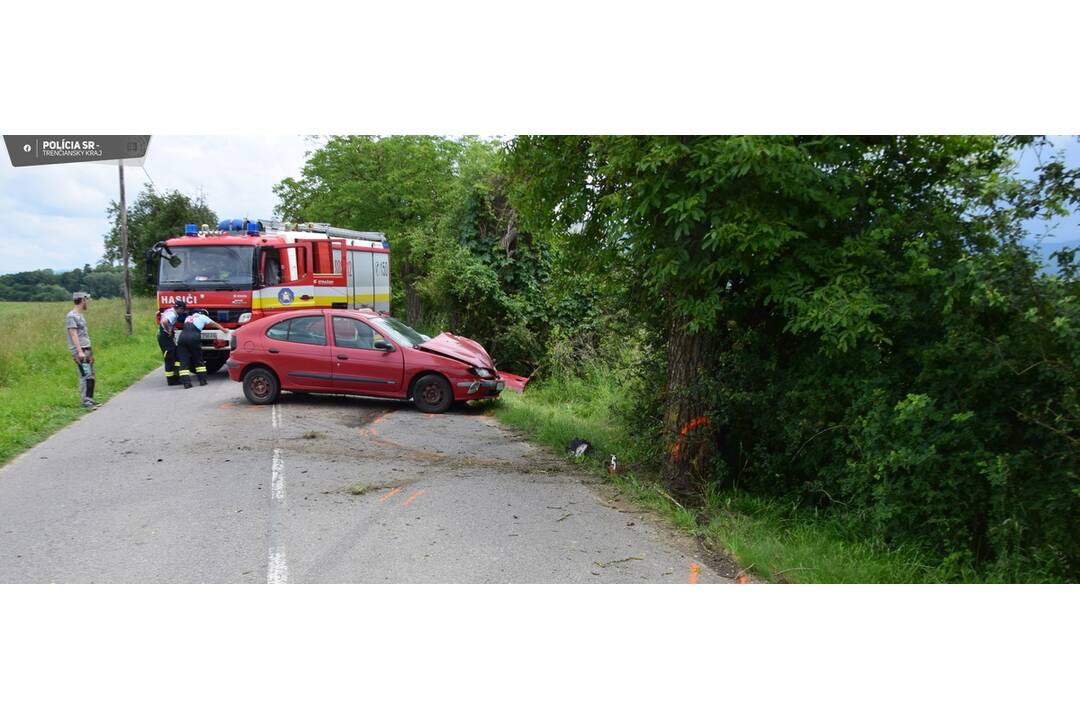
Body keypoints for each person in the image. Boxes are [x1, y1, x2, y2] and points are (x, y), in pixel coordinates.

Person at [176, 310, 228, 388]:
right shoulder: (203, 317)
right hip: (194, 338)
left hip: (182, 338)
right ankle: (202, 381)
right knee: (198, 359)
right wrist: (224, 330)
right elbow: (214, 324)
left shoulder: (188, 317)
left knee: (184, 361)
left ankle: (186, 383)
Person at [66, 291, 100, 409]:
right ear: (82, 300)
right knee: (86, 375)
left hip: (86, 348)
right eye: (86, 300)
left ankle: (89, 399)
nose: (87, 303)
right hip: (81, 350)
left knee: (91, 374)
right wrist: (79, 352)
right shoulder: (71, 316)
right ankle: (85, 401)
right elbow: (73, 334)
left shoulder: (80, 315)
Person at [157, 300, 187, 386]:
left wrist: (172, 328)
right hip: (165, 337)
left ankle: (176, 376)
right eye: (183, 310)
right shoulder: (173, 314)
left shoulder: (169, 310)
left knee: (177, 356)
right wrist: (168, 330)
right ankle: (171, 380)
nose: (183, 312)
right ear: (180, 308)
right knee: (169, 358)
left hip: (165, 336)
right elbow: (165, 321)